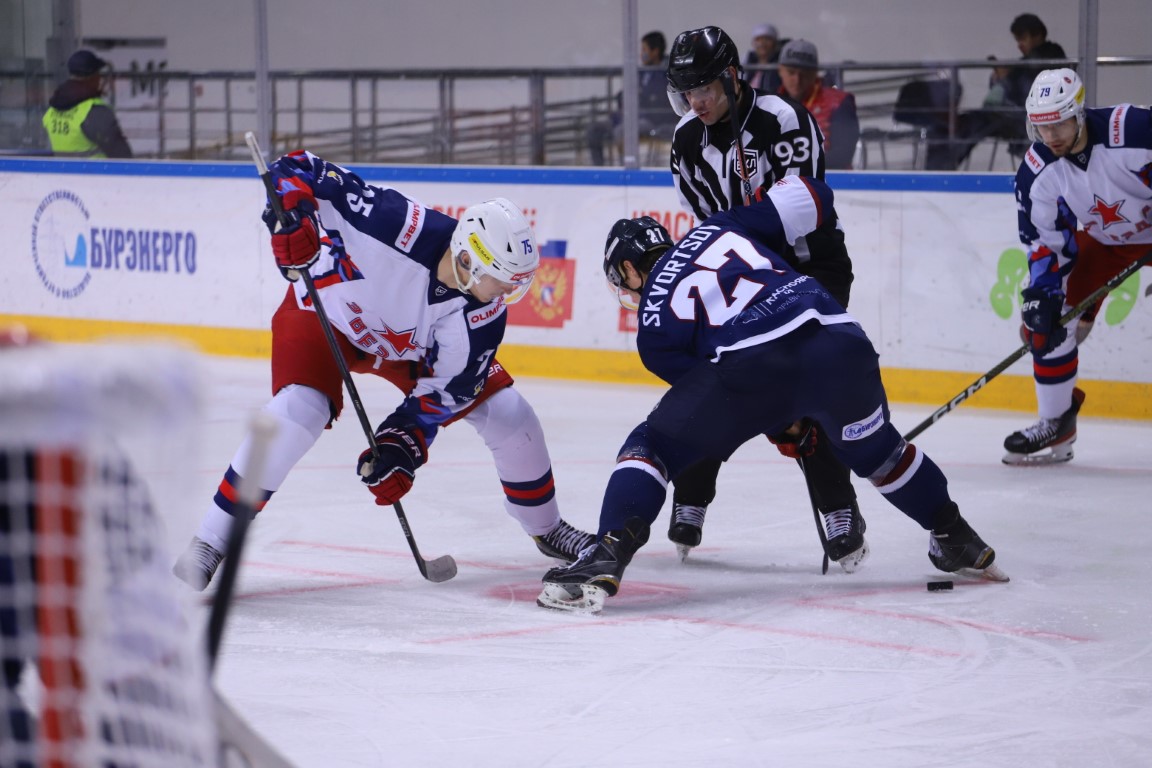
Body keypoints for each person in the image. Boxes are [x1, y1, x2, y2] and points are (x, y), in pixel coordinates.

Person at [536, 177, 1007, 613]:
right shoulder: (722, 226)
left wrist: (783, 422)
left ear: (626, 268)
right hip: (842, 342)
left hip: (754, 363)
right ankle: (955, 535)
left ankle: (605, 556)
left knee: (652, 445)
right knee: (881, 453)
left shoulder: (652, 330)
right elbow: (817, 196)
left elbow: (719, 398)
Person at [172, 150, 594, 590]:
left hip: (402, 346)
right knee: (298, 411)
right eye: (503, 278)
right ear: (468, 259)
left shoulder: (482, 313)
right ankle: (209, 541)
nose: (508, 291)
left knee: (509, 413)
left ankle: (548, 528)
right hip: (324, 319)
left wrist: (400, 447)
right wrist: (294, 221)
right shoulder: (394, 223)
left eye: (516, 283)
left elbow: (448, 391)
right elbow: (296, 168)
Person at [664, 25, 866, 569]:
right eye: (687, 90)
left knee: (812, 382)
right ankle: (691, 493)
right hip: (745, 274)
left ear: (732, 75)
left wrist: (734, 235)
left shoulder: (784, 120)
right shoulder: (686, 142)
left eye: (705, 86)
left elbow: (802, 208)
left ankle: (837, 505)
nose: (696, 100)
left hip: (809, 265)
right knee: (714, 375)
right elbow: (710, 228)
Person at [1002, 68, 1152, 464]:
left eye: (1059, 124)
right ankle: (1056, 421)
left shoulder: (1133, 130)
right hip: (1109, 243)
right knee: (1050, 322)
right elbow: (1044, 243)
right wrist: (1041, 297)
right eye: (1041, 128)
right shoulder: (1037, 171)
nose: (1050, 137)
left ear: (1079, 113)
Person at [929, 13, 1066, 170]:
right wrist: (1002, 77)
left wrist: (1007, 76)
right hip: (1007, 115)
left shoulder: (1051, 55)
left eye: (1023, 38)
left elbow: (1029, 86)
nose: (1019, 44)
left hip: (1020, 118)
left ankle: (940, 168)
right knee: (960, 125)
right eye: (1017, 40)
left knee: (967, 126)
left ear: (1037, 35)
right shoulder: (1028, 62)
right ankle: (940, 167)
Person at [586, 31, 676, 166]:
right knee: (594, 130)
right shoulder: (642, 72)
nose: (641, 54)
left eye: (644, 49)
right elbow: (625, 94)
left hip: (651, 120)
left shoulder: (666, 74)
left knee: (622, 132)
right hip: (629, 117)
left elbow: (657, 100)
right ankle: (600, 169)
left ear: (655, 51)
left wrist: (641, 97)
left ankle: (626, 171)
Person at [776, 39, 860, 170]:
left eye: (804, 74)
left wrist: (796, 170)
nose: (797, 80)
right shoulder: (769, 103)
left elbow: (843, 154)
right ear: (780, 70)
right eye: (791, 72)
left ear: (815, 73)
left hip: (830, 182)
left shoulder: (839, 102)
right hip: (782, 183)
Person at [42, 49, 133, 158]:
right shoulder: (95, 111)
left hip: (62, 173)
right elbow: (122, 155)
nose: (100, 79)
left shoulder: (53, 108)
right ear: (93, 77)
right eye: (98, 74)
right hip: (95, 173)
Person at [745, 23, 784, 93]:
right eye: (758, 40)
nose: (762, 43)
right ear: (753, 43)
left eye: (767, 39)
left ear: (775, 43)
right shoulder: (747, 61)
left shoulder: (780, 64)